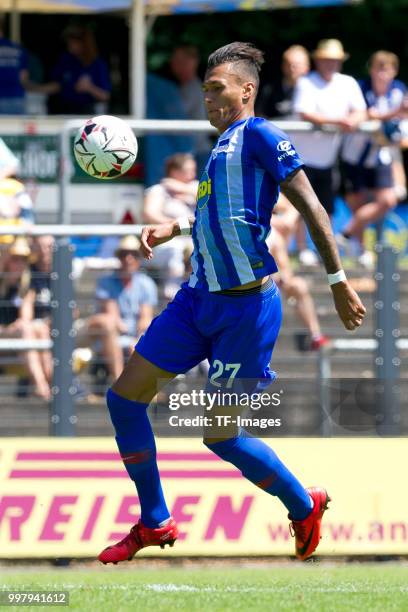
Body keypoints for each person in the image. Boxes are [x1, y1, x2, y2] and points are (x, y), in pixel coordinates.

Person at [98, 42, 366, 566]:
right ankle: (155, 520)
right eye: (203, 92)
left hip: (246, 310)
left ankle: (302, 504)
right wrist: (173, 226)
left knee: (219, 435)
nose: (208, 99)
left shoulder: (263, 135)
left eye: (217, 89)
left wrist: (337, 279)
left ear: (247, 90)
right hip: (197, 302)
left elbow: (311, 207)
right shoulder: (218, 150)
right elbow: (217, 217)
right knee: (124, 399)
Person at [292, 39, 367, 265]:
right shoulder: (306, 82)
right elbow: (304, 112)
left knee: (327, 207)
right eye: (326, 60)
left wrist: (352, 120)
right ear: (318, 61)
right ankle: (302, 248)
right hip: (301, 157)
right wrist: (339, 122)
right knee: (299, 206)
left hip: (328, 158)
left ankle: (326, 251)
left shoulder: (348, 83)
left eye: (334, 60)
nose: (330, 64)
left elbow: (361, 111)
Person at [340, 51, 408, 268]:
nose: (382, 74)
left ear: (394, 71)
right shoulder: (361, 88)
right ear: (371, 69)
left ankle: (346, 232)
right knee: (358, 204)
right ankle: (361, 251)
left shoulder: (399, 90)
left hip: (381, 155)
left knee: (388, 200)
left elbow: (399, 124)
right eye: (378, 68)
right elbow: (365, 114)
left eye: (386, 69)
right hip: (354, 155)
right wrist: (394, 113)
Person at [83, 236, 158, 381]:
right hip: (112, 334)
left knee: (140, 345)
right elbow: (114, 319)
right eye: (124, 254)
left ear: (139, 258)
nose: (128, 259)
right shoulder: (106, 282)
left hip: (132, 335)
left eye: (133, 254)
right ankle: (119, 381)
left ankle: (141, 390)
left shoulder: (146, 284)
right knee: (110, 328)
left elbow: (145, 319)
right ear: (119, 257)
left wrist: (137, 339)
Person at [0, 238, 51, 400]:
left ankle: (45, 384)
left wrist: (17, 327)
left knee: (38, 328)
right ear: (7, 260)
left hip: (17, 338)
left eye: (24, 259)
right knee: (28, 329)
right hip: (5, 338)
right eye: (15, 258)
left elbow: (25, 318)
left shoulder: (27, 286)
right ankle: (47, 385)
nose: (20, 263)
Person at [143, 152, 197, 297]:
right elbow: (150, 213)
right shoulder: (159, 190)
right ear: (174, 171)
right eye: (188, 171)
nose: (193, 174)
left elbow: (216, 203)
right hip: (168, 242)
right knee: (175, 251)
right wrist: (174, 227)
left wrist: (183, 189)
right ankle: (172, 296)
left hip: (194, 239)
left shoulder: (197, 188)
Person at [43, 25, 111, 115]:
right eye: (69, 43)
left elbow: (105, 96)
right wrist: (36, 89)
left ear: (83, 44)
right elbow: (57, 85)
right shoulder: (66, 59)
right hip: (63, 109)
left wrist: (89, 87)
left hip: (87, 111)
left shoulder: (97, 64)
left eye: (73, 43)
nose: (70, 46)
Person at [169, 45, 213, 171]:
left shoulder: (192, 88)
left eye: (179, 61)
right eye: (174, 61)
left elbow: (177, 113)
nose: (174, 64)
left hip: (196, 152)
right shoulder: (188, 87)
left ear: (192, 62)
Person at [256, 45, 310, 119]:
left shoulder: (314, 90)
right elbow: (260, 116)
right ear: (283, 66)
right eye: (289, 64)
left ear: (307, 67)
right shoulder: (270, 90)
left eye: (297, 65)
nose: (292, 68)